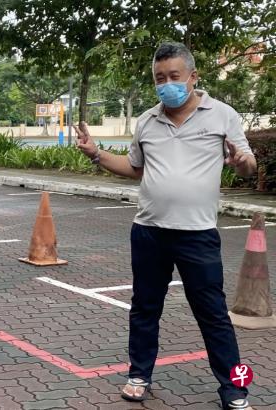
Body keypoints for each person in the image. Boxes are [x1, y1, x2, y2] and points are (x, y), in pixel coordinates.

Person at [74, 42, 255, 410]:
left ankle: (236, 388)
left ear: (193, 77)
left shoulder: (222, 115)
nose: (167, 83)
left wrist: (242, 163)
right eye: (160, 78)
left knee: (214, 317)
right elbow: (134, 168)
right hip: (149, 232)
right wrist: (95, 153)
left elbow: (247, 163)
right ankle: (139, 375)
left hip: (197, 235)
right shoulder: (146, 120)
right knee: (144, 309)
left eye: (174, 76)